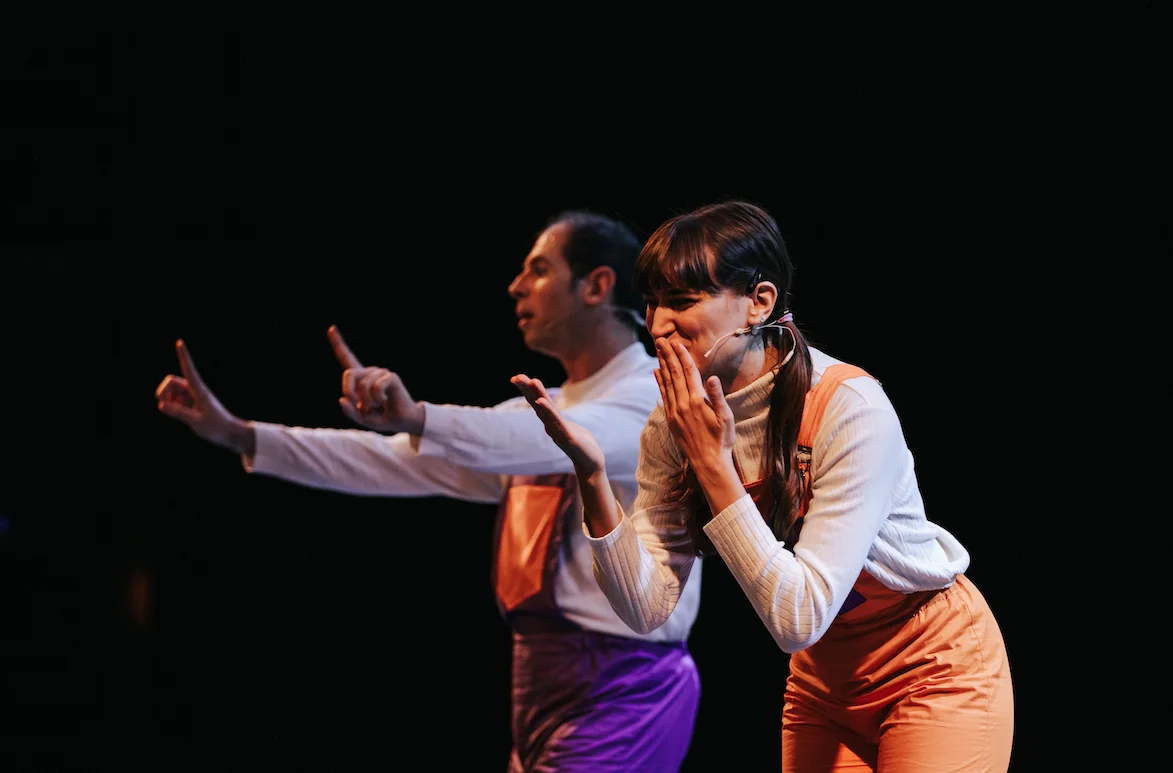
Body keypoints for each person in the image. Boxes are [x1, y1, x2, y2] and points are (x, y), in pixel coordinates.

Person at [154, 209, 703, 772]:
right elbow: (388, 462)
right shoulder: (546, 409)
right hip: (538, 677)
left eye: (539, 270)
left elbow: (550, 439)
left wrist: (418, 416)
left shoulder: (652, 397)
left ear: (596, 285)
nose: (516, 286)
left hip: (628, 686)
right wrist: (240, 434)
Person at [512, 199, 1014, 772]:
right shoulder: (672, 426)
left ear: (759, 302)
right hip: (825, 680)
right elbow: (647, 607)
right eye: (651, 302)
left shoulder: (848, 406)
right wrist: (593, 477)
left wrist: (714, 466)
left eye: (682, 301)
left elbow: (798, 617)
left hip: (931, 663)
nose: (658, 325)